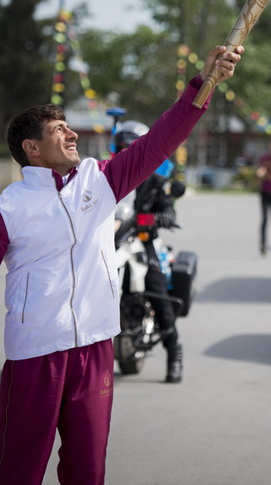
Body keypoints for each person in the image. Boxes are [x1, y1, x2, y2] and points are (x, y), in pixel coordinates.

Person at [0, 45, 241, 485]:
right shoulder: (8, 208)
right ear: (32, 148)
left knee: (88, 472)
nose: (72, 135)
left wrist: (204, 83)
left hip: (96, 349)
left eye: (69, 127)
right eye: (59, 130)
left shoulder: (100, 181)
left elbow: (161, 138)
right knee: (17, 470)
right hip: (36, 356)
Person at [113, 120, 184, 383]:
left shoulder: (156, 180)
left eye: (132, 147)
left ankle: (174, 352)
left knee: (156, 289)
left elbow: (168, 205)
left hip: (143, 240)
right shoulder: (106, 175)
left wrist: (164, 215)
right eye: (122, 146)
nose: (126, 151)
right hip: (113, 240)